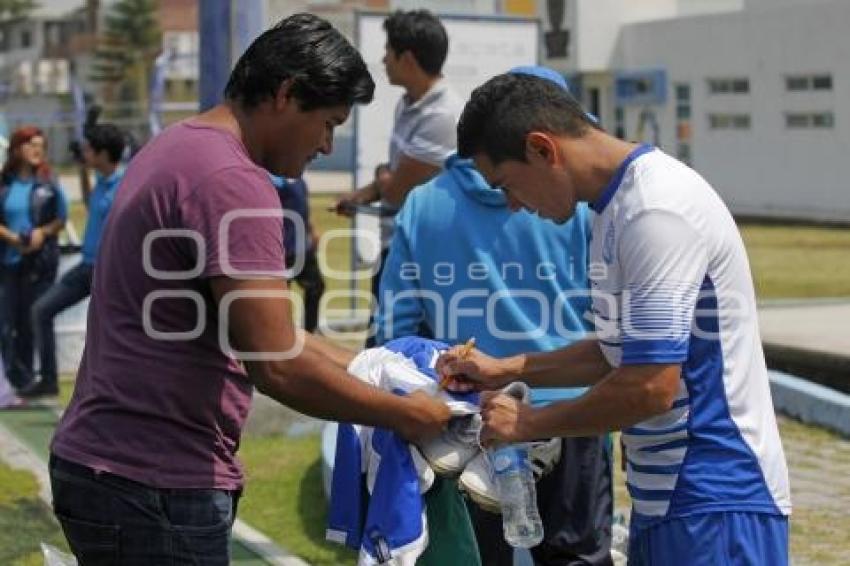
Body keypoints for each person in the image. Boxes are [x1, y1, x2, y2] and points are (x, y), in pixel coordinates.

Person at [49, 14, 449, 565]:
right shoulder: (233, 181)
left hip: (114, 467)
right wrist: (404, 414)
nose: (328, 146)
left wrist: (377, 368)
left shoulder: (182, 145)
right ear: (285, 94)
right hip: (153, 481)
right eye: (328, 123)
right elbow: (276, 364)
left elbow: (273, 333)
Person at [439, 73, 792, 565]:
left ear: (542, 149)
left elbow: (649, 385)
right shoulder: (613, 209)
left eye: (508, 186)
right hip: (668, 499)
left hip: (716, 499)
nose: (514, 206)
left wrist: (533, 422)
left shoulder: (655, 210)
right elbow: (617, 352)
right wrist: (507, 368)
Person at [375, 65, 613, 566]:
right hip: (574, 413)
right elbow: (612, 323)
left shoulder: (422, 204)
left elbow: (396, 327)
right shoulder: (582, 204)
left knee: (476, 557)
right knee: (578, 558)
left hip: (468, 423)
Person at [333, 10, 463, 344]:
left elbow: (397, 191)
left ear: (406, 58)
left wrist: (385, 177)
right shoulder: (408, 104)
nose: (383, 59)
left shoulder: (442, 115)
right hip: (396, 246)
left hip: (421, 257)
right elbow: (392, 179)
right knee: (381, 346)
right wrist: (361, 195)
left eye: (388, 51)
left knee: (397, 353)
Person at [21, 123, 126, 399]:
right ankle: (48, 380)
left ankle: (111, 391)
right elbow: (93, 205)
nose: (85, 153)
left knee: (107, 331)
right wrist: (83, 170)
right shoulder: (103, 181)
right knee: (41, 310)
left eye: (90, 150)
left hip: (107, 271)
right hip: (86, 266)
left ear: (103, 153)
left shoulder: (125, 184)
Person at [0, 127, 68, 391]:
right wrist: (12, 238)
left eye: (41, 145)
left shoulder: (49, 183)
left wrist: (42, 232)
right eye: (31, 145)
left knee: (32, 320)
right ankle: (12, 378)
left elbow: (61, 219)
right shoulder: (4, 183)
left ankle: (30, 380)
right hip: (8, 262)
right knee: (7, 325)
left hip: (40, 264)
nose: (37, 150)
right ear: (17, 149)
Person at [269, 174, 325, 332]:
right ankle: (281, 332)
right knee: (280, 294)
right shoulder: (274, 181)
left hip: (302, 248)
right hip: (284, 249)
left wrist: (311, 230)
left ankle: (309, 330)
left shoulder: (298, 178)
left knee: (316, 287)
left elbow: (302, 207)